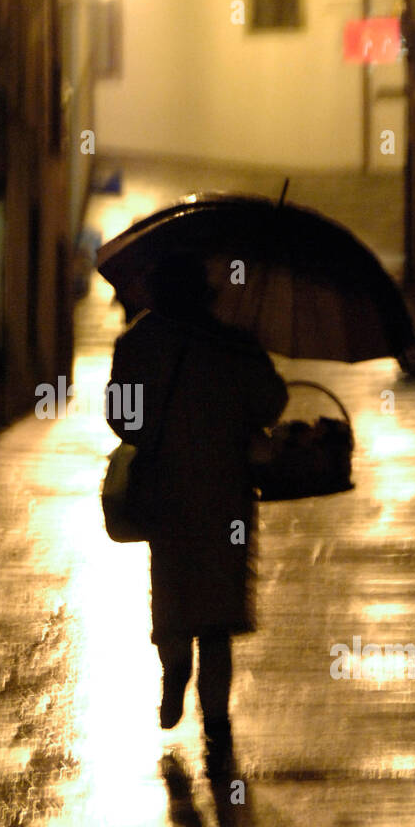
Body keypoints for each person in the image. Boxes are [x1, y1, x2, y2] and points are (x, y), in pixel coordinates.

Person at [106, 250, 287, 776]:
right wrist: (247, 357)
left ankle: (173, 675)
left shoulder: (138, 343)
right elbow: (271, 403)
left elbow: (124, 421)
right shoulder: (232, 342)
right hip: (225, 497)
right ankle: (217, 720)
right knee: (218, 616)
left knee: (173, 596)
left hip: (165, 495)